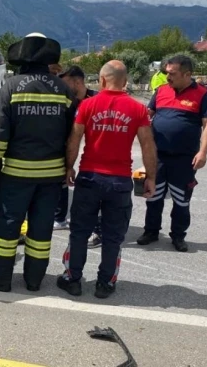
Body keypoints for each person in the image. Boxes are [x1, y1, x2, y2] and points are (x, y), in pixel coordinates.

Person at [0, 33, 73, 293]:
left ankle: (0, 278)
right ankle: (34, 280)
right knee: (41, 229)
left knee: (8, 227)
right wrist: (68, 165)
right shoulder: (63, 89)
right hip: (51, 176)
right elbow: (71, 134)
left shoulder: (11, 86)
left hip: (17, 175)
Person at [59, 60, 157, 299]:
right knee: (113, 236)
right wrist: (151, 177)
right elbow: (147, 145)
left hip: (90, 177)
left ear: (102, 80)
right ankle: (106, 283)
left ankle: (73, 278)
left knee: (79, 231)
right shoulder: (138, 109)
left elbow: (74, 139)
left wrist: (68, 167)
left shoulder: (88, 105)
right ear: (125, 82)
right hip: (120, 181)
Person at [139, 55, 207, 252]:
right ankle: (151, 231)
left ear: (187, 74)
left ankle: (178, 236)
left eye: (172, 74)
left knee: (181, 200)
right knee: (153, 197)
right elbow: (147, 115)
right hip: (158, 156)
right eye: (166, 73)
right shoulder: (161, 91)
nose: (167, 77)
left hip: (185, 158)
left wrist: (203, 152)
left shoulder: (203, 94)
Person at [54, 66, 104, 245]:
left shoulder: (97, 100)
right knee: (62, 181)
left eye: (65, 83)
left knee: (95, 191)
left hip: (97, 155)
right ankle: (59, 218)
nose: (62, 86)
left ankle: (98, 230)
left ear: (77, 82)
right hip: (70, 150)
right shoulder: (68, 101)